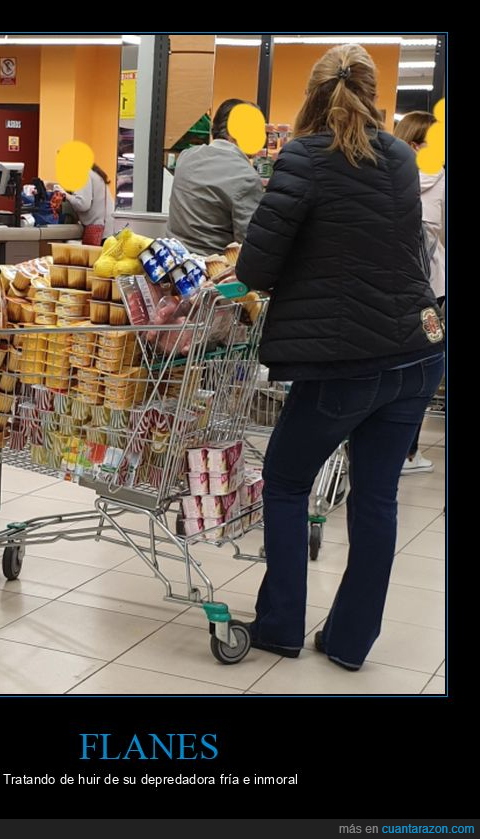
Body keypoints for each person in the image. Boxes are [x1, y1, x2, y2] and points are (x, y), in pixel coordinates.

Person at [235, 45, 444, 671]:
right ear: (374, 93)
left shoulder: (302, 157)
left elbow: (257, 266)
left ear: (310, 94)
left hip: (344, 360)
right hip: (417, 352)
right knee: (376, 498)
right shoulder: (404, 158)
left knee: (287, 479)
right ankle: (351, 643)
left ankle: (279, 627)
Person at [394, 111, 446, 475]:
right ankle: (408, 452)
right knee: (423, 374)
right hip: (433, 293)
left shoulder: (386, 180)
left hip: (391, 291)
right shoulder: (441, 182)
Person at [166, 99, 265, 255]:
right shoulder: (246, 177)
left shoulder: (186, 157)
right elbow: (249, 245)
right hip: (214, 271)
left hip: (174, 263)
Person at [60, 164, 114, 244]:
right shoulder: (92, 172)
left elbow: (83, 204)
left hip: (100, 230)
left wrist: (66, 195)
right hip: (109, 227)